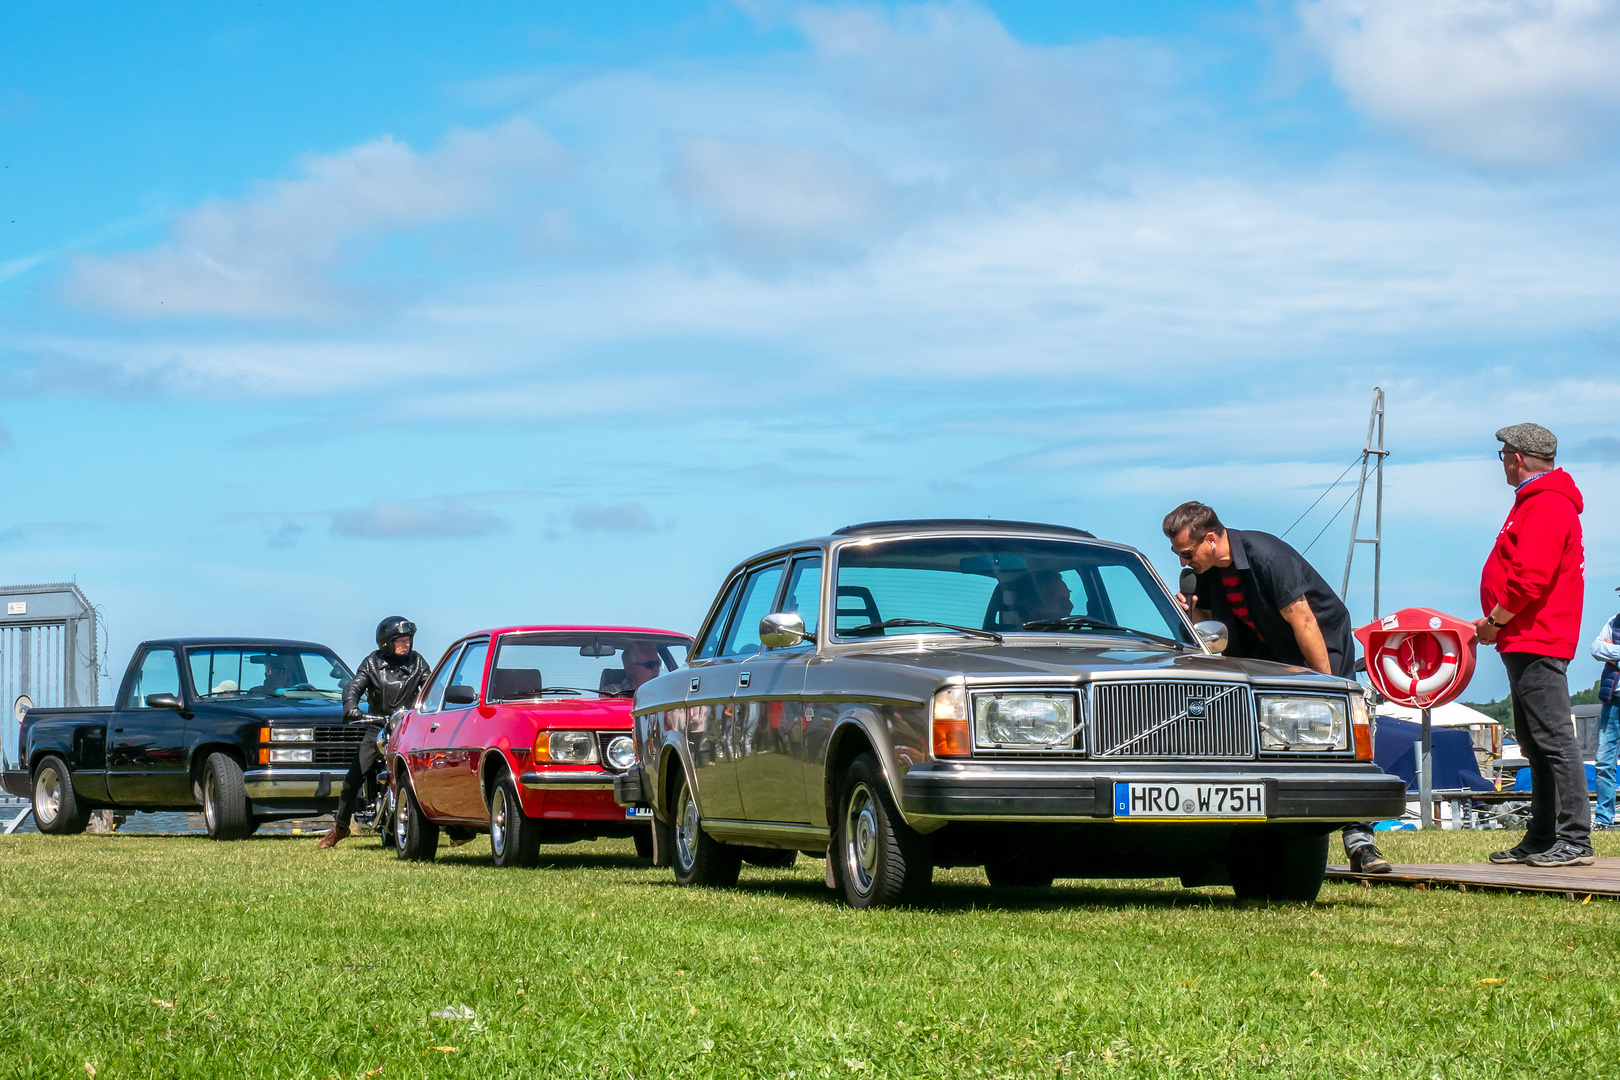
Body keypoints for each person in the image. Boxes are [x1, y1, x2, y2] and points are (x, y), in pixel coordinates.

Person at [1163, 501, 1391, 875]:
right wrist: (1190, 612)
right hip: (1266, 652)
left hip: (1318, 643)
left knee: (1339, 736)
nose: (1183, 563)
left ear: (1209, 540)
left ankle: (1360, 840)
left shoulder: (1265, 554)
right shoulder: (1201, 574)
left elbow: (1303, 621)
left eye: (1187, 554)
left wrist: (1327, 687)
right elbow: (1210, 633)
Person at [1477, 424, 1591, 867]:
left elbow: (1530, 579)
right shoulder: (1538, 502)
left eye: (1503, 453)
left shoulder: (1545, 504)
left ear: (1517, 457)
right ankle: (1544, 836)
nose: (1503, 461)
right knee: (1535, 740)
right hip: (1523, 634)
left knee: (1554, 739)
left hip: (1536, 636)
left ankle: (1574, 839)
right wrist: (1493, 622)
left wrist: (1493, 621)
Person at [317, 616, 431, 850]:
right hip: (377, 725)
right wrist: (350, 705)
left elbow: (430, 685)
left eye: (408, 639)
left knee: (431, 769)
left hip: (408, 727)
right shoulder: (372, 662)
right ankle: (340, 827)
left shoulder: (418, 662)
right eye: (400, 640)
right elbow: (355, 685)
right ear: (386, 642)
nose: (406, 643)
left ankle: (450, 826)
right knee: (352, 779)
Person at [1589, 589, 1620, 830]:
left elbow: (1605, 651)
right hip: (1613, 701)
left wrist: (1613, 653)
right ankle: (1603, 820)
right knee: (1604, 762)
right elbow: (1596, 649)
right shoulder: (1613, 622)